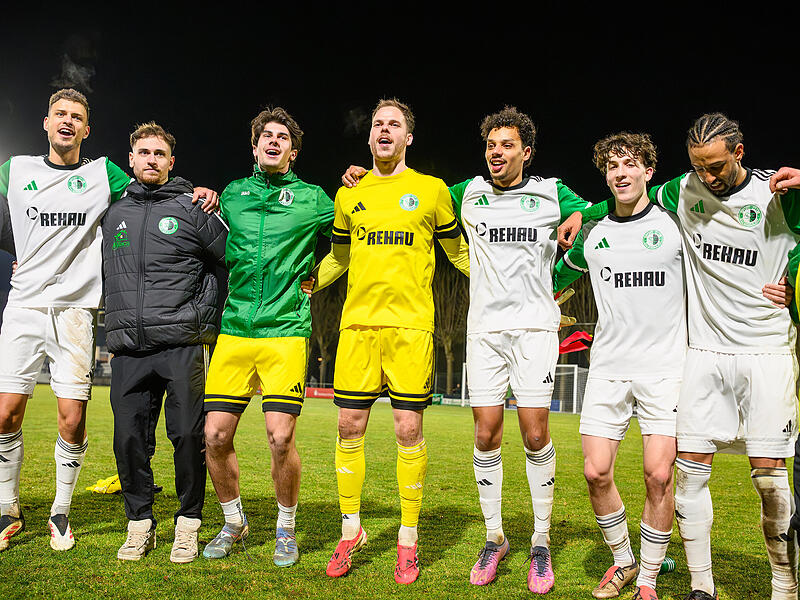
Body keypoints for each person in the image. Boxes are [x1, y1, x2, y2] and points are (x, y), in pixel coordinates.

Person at [337, 106, 586, 593]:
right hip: (484, 329)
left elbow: (599, 215)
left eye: (507, 145)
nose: (496, 153)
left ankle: (541, 540)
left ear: (526, 152)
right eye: (491, 145)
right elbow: (411, 194)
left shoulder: (551, 192)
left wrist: (570, 241)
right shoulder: (466, 192)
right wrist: (368, 178)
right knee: (486, 434)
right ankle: (494, 538)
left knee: (535, 434)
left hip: (535, 328)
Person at [558, 114, 800, 600]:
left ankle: (784, 583)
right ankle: (700, 587)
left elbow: (793, 245)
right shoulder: (682, 191)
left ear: (740, 152)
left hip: (766, 349)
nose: (706, 178)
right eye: (697, 167)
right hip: (704, 352)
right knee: (685, 471)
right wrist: (584, 212)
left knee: (770, 481)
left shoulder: (776, 193)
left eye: (714, 167)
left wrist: (793, 282)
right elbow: (624, 200)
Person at [0, 88, 216, 553]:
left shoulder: (135, 186)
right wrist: (22, 256)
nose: (66, 122)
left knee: (159, 432)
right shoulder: (31, 174)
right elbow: (21, 224)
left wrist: (201, 190)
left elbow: (210, 248)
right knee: (20, 417)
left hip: (125, 324)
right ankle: (18, 507)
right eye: (59, 114)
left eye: (76, 117)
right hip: (70, 322)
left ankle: (171, 519)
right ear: (45, 121)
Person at [309, 98, 469, 585]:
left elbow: (458, 251)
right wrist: (309, 283)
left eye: (394, 124)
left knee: (406, 432)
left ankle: (407, 540)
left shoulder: (431, 190)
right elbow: (339, 255)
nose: (384, 130)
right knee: (349, 429)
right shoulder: (347, 195)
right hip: (357, 327)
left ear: (408, 138)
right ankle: (351, 530)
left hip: (411, 328)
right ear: (370, 135)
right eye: (377, 124)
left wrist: (503, 284)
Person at [201, 107, 334, 567]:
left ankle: (286, 528)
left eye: (282, 138)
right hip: (235, 329)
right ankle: (234, 523)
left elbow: (354, 232)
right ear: (255, 147)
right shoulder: (233, 194)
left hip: (285, 332)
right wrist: (202, 195)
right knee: (214, 436)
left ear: (293, 152)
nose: (273, 142)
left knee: (280, 439)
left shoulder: (314, 198)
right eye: (266, 136)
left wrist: (319, 274)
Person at [553, 133, 683, 600]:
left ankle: (647, 578)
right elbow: (558, 273)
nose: (621, 173)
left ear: (649, 171)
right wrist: (546, 304)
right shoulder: (594, 234)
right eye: (612, 167)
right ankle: (624, 559)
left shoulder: (675, 223)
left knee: (659, 474)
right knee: (595, 471)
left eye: (630, 164)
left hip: (665, 368)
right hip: (608, 368)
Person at [102, 122, 227, 563]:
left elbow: (227, 262)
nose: (152, 159)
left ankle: (188, 524)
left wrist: (199, 319)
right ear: (131, 159)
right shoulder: (113, 211)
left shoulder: (195, 208)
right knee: (128, 439)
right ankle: (139, 525)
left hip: (180, 342)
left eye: (160, 153)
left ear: (171, 162)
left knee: (188, 435)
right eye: (144, 152)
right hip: (129, 347)